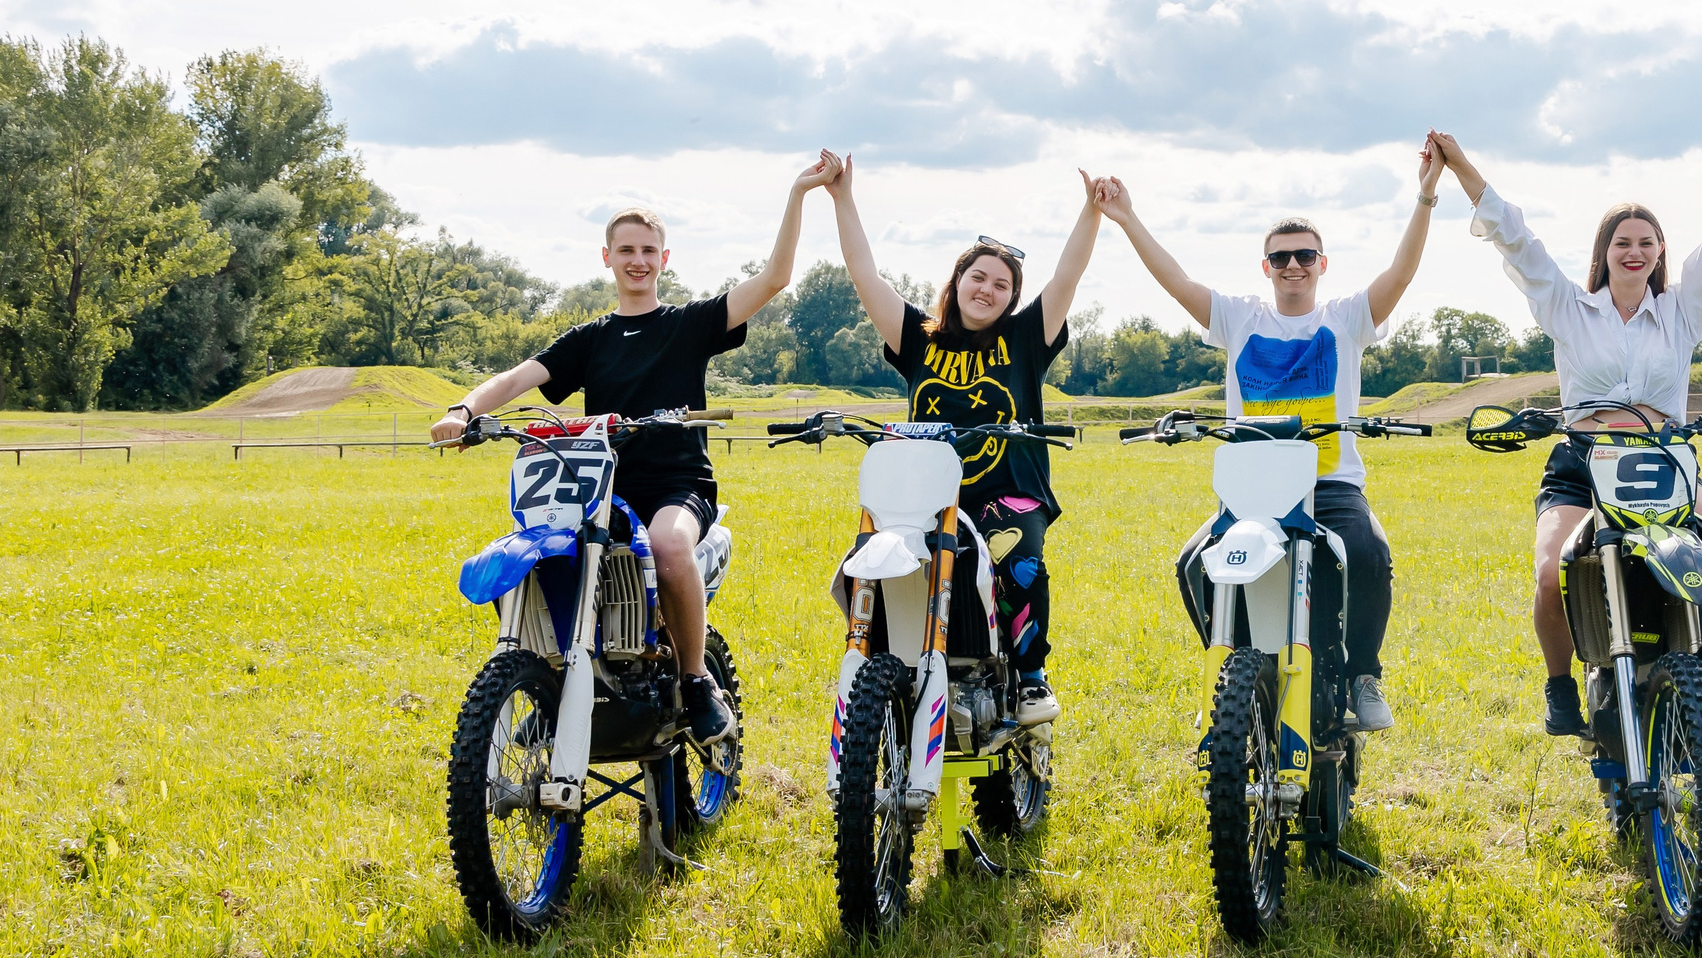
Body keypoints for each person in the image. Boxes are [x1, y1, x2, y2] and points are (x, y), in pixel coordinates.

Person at [431, 160, 819, 749]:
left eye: (648, 250)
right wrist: (463, 410)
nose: (638, 260)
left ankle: (696, 681)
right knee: (537, 557)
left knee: (668, 544)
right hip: (600, 488)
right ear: (607, 257)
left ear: (665, 259)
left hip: (677, 485)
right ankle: (553, 683)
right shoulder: (590, 338)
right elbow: (516, 378)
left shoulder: (689, 325)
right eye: (627, 250)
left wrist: (797, 193)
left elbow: (774, 279)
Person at [1430, 124, 1702, 737]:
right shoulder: (1569, 308)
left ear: (1660, 251)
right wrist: (1461, 165)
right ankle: (1560, 686)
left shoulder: (1682, 311)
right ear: (1603, 251)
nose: (1634, 252)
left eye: (1646, 242)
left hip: (1664, 463)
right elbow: (1514, 238)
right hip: (1583, 463)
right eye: (1622, 242)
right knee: (1552, 572)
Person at [1090, 150, 1440, 730]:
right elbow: (1176, 281)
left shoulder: (1346, 318)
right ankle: (1233, 667)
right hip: (1253, 490)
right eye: (1281, 257)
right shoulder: (1240, 318)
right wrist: (1127, 218)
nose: (1292, 265)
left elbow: (1400, 274)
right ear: (1266, 267)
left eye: (1304, 255)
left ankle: (1362, 676)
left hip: (1330, 485)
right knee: (1193, 565)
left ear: (1322, 263)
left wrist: (1425, 195)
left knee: (1370, 554)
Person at [821, 152, 1102, 726]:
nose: (988, 289)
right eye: (979, 277)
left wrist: (1092, 212)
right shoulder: (919, 338)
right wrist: (842, 198)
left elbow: (1067, 277)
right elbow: (864, 275)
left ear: (1012, 298)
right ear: (958, 280)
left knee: (1019, 560)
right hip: (924, 497)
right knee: (866, 567)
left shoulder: (1025, 339)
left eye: (1002, 284)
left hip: (1007, 493)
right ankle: (883, 667)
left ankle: (1030, 676)